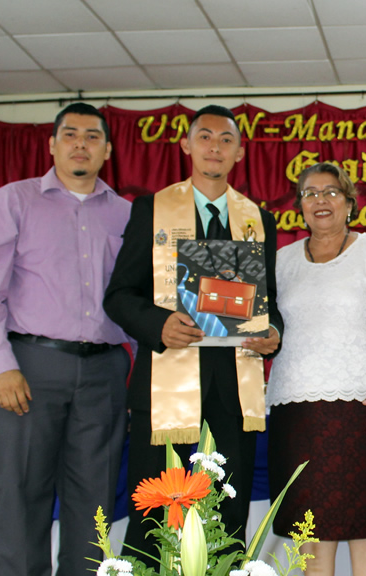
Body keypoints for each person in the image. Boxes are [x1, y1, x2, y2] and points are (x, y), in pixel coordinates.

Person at [104, 105, 283, 558]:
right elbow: (120, 295)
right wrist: (159, 324)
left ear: (240, 152)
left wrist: (272, 334)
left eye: (226, 140)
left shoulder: (258, 219)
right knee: (157, 515)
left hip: (232, 392)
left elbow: (270, 303)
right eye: (205, 137)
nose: (215, 148)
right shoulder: (152, 208)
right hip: (166, 388)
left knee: (226, 515)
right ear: (186, 145)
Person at [0, 103, 131, 576]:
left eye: (92, 136)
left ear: (107, 150)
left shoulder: (126, 214)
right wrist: (0, 365)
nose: (81, 143)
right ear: (52, 144)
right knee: (21, 494)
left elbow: (135, 296)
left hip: (104, 371)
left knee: (94, 498)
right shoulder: (14, 200)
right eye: (71, 134)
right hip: (30, 368)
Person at [265, 162, 366, 576]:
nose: (321, 200)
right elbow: (267, 330)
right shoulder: (280, 262)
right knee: (311, 530)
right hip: (296, 414)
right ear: (299, 205)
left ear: (350, 203)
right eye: (310, 193)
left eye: (331, 192)